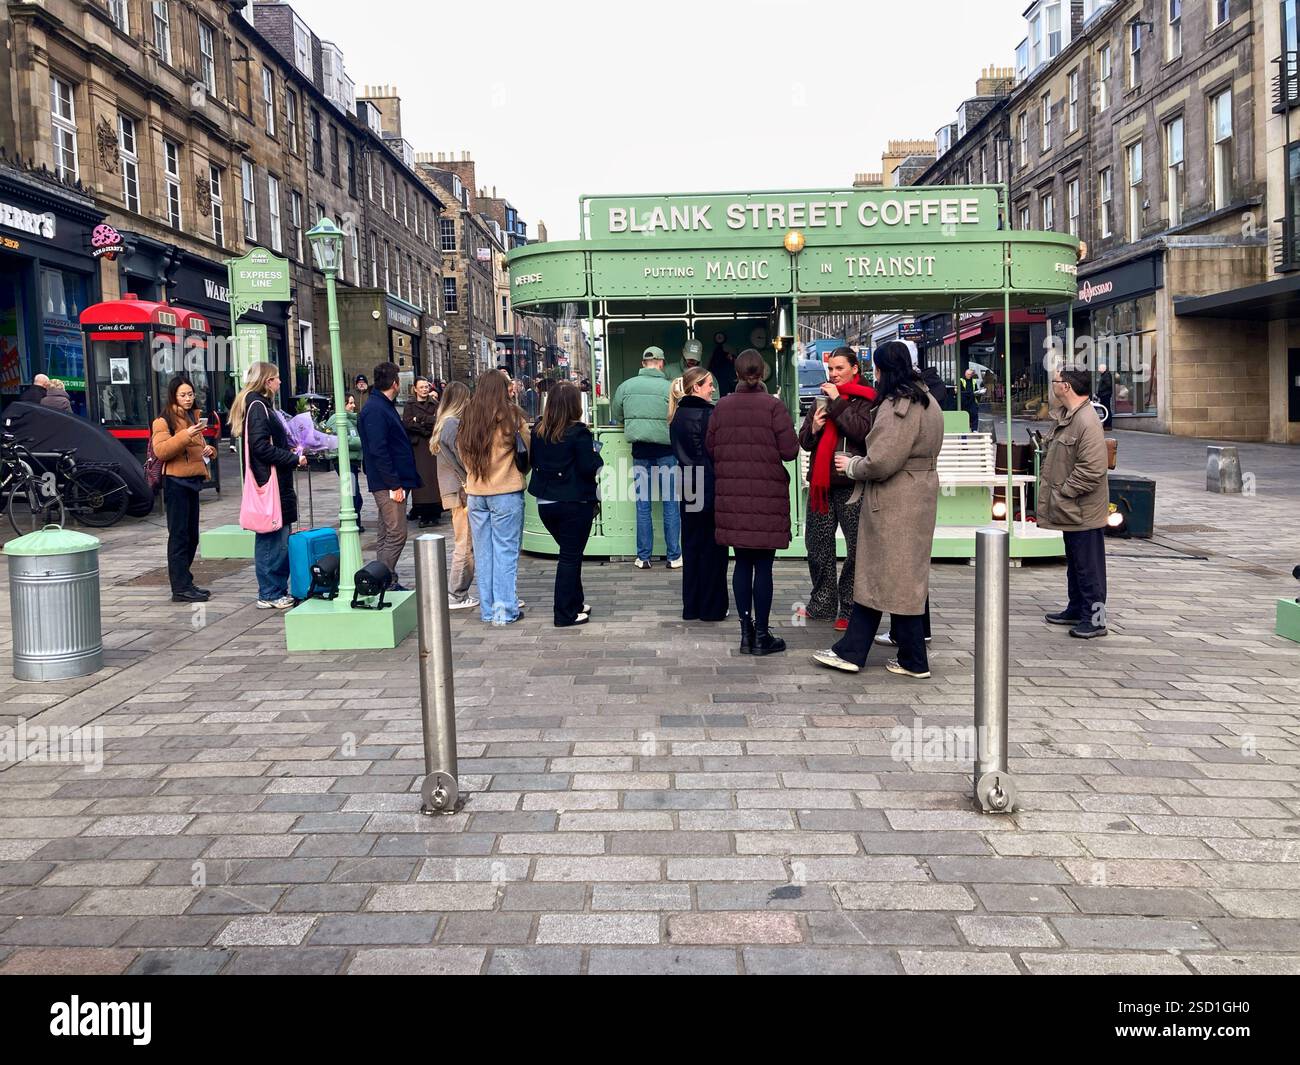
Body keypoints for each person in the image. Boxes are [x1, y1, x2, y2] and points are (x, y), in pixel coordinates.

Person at [812, 340, 944, 679]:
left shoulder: (897, 405)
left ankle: (854, 651)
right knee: (902, 577)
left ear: (882, 370)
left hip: (894, 499)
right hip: (918, 494)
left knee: (875, 573)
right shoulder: (926, 399)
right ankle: (911, 656)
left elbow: (883, 458)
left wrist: (854, 465)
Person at [706, 349, 799, 655]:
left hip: (733, 499)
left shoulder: (722, 406)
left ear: (736, 372)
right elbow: (789, 451)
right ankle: (762, 634)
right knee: (765, 566)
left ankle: (745, 634)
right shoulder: (774, 406)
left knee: (742, 564)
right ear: (763, 372)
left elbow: (711, 447)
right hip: (767, 499)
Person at [798, 346, 877, 631]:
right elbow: (804, 442)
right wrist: (815, 429)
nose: (834, 374)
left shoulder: (867, 400)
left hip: (851, 484)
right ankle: (822, 602)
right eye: (831, 369)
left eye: (839, 368)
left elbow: (862, 432)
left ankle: (850, 606)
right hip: (821, 484)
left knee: (857, 548)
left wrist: (838, 404)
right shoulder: (822, 399)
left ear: (855, 368)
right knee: (817, 546)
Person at [1039, 367, 1110, 639]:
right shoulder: (1070, 417)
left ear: (1066, 386)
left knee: (1089, 564)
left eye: (1056, 380)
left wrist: (1064, 492)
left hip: (1082, 508)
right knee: (1076, 560)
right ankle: (1077, 607)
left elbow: (1092, 469)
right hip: (1071, 508)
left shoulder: (1087, 421)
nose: (1053, 385)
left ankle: (1095, 619)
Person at [230, 361, 305, 609]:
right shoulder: (258, 406)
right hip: (270, 483)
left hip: (273, 480)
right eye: (276, 378)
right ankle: (270, 592)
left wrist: (287, 449)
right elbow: (260, 447)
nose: (280, 382)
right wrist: (292, 458)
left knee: (274, 536)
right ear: (266, 382)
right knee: (273, 538)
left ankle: (274, 589)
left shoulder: (258, 405)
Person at [528, 382, 602, 627]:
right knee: (570, 557)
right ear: (574, 405)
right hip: (574, 502)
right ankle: (564, 614)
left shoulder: (538, 430)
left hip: (546, 502)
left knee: (571, 554)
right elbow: (589, 467)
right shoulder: (579, 433)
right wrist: (596, 454)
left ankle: (576, 603)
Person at [460, 369, 530, 624]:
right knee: (505, 552)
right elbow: (526, 451)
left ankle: (488, 610)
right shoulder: (512, 416)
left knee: (484, 553)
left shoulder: (468, 416)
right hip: (505, 491)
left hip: (476, 493)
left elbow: (461, 451)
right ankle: (504, 611)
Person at [611, 345, 681, 570]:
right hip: (667, 453)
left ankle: (643, 557)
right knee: (671, 504)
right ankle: (674, 557)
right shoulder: (671, 388)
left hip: (640, 452)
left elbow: (617, 414)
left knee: (643, 506)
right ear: (661, 363)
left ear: (643, 364)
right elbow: (678, 417)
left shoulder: (625, 387)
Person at [670, 365, 728, 622]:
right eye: (709, 385)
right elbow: (717, 452)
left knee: (691, 547)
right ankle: (712, 607)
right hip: (710, 485)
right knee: (713, 549)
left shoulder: (676, 415)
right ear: (697, 387)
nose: (713, 388)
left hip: (687, 485)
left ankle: (691, 606)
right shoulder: (711, 415)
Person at [151, 375, 215, 603]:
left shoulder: (192, 417)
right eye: (183, 395)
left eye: (190, 394)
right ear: (173, 396)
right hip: (176, 483)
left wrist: (209, 451)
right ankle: (180, 587)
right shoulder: (163, 421)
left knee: (192, 536)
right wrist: (185, 434)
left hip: (192, 482)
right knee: (179, 536)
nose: (188, 398)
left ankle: (185, 581)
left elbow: (197, 449)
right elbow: (162, 451)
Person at [359, 361, 421, 589]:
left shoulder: (382, 405)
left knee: (386, 532)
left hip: (391, 480)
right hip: (388, 483)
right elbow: (378, 450)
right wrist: (394, 484)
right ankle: (381, 580)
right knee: (397, 533)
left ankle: (386, 579)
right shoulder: (376, 408)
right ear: (395, 383)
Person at [432, 382, 477, 611]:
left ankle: (458, 592)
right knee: (464, 543)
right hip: (459, 490)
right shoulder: (452, 424)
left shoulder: (444, 422)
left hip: (454, 489)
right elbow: (463, 458)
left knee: (464, 541)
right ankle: (456, 593)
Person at [402, 376, 443, 528]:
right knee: (421, 480)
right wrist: (424, 424)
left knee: (433, 480)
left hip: (432, 445)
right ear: (415, 389)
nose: (425, 389)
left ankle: (434, 512)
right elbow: (407, 423)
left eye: (426, 387)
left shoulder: (435, 404)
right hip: (418, 446)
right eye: (422, 387)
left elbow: (438, 421)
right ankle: (422, 512)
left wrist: (419, 419)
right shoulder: (409, 405)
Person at [325, 392, 364, 532]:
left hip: (352, 461)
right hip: (343, 461)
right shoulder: (337, 419)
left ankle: (355, 523)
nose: (353, 406)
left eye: (353, 402)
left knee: (353, 494)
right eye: (350, 403)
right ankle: (351, 524)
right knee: (352, 495)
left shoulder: (350, 420)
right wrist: (363, 442)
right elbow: (343, 439)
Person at [958, 368, 980, 432]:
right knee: (965, 415)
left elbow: (976, 390)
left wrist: (978, 392)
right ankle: (965, 428)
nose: (969, 375)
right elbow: (959, 391)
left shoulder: (974, 381)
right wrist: (969, 393)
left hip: (972, 400)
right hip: (964, 400)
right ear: (965, 374)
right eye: (968, 374)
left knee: (974, 414)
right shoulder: (961, 380)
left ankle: (974, 429)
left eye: (970, 374)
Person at [1095, 363, 1114, 430]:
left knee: (1106, 410)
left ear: (1103, 369)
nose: (1098, 369)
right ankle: (1106, 425)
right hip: (1104, 395)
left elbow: (1108, 385)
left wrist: (1101, 391)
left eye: (1099, 368)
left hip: (1105, 395)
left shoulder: (1106, 375)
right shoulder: (1104, 375)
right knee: (1105, 410)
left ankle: (1108, 425)